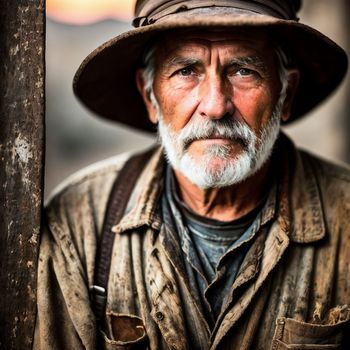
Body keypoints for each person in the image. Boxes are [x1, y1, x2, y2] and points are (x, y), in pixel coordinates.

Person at [34, 0, 350, 349]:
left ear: (285, 94)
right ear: (150, 96)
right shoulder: (78, 226)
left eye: (243, 70)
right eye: (186, 70)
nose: (215, 106)